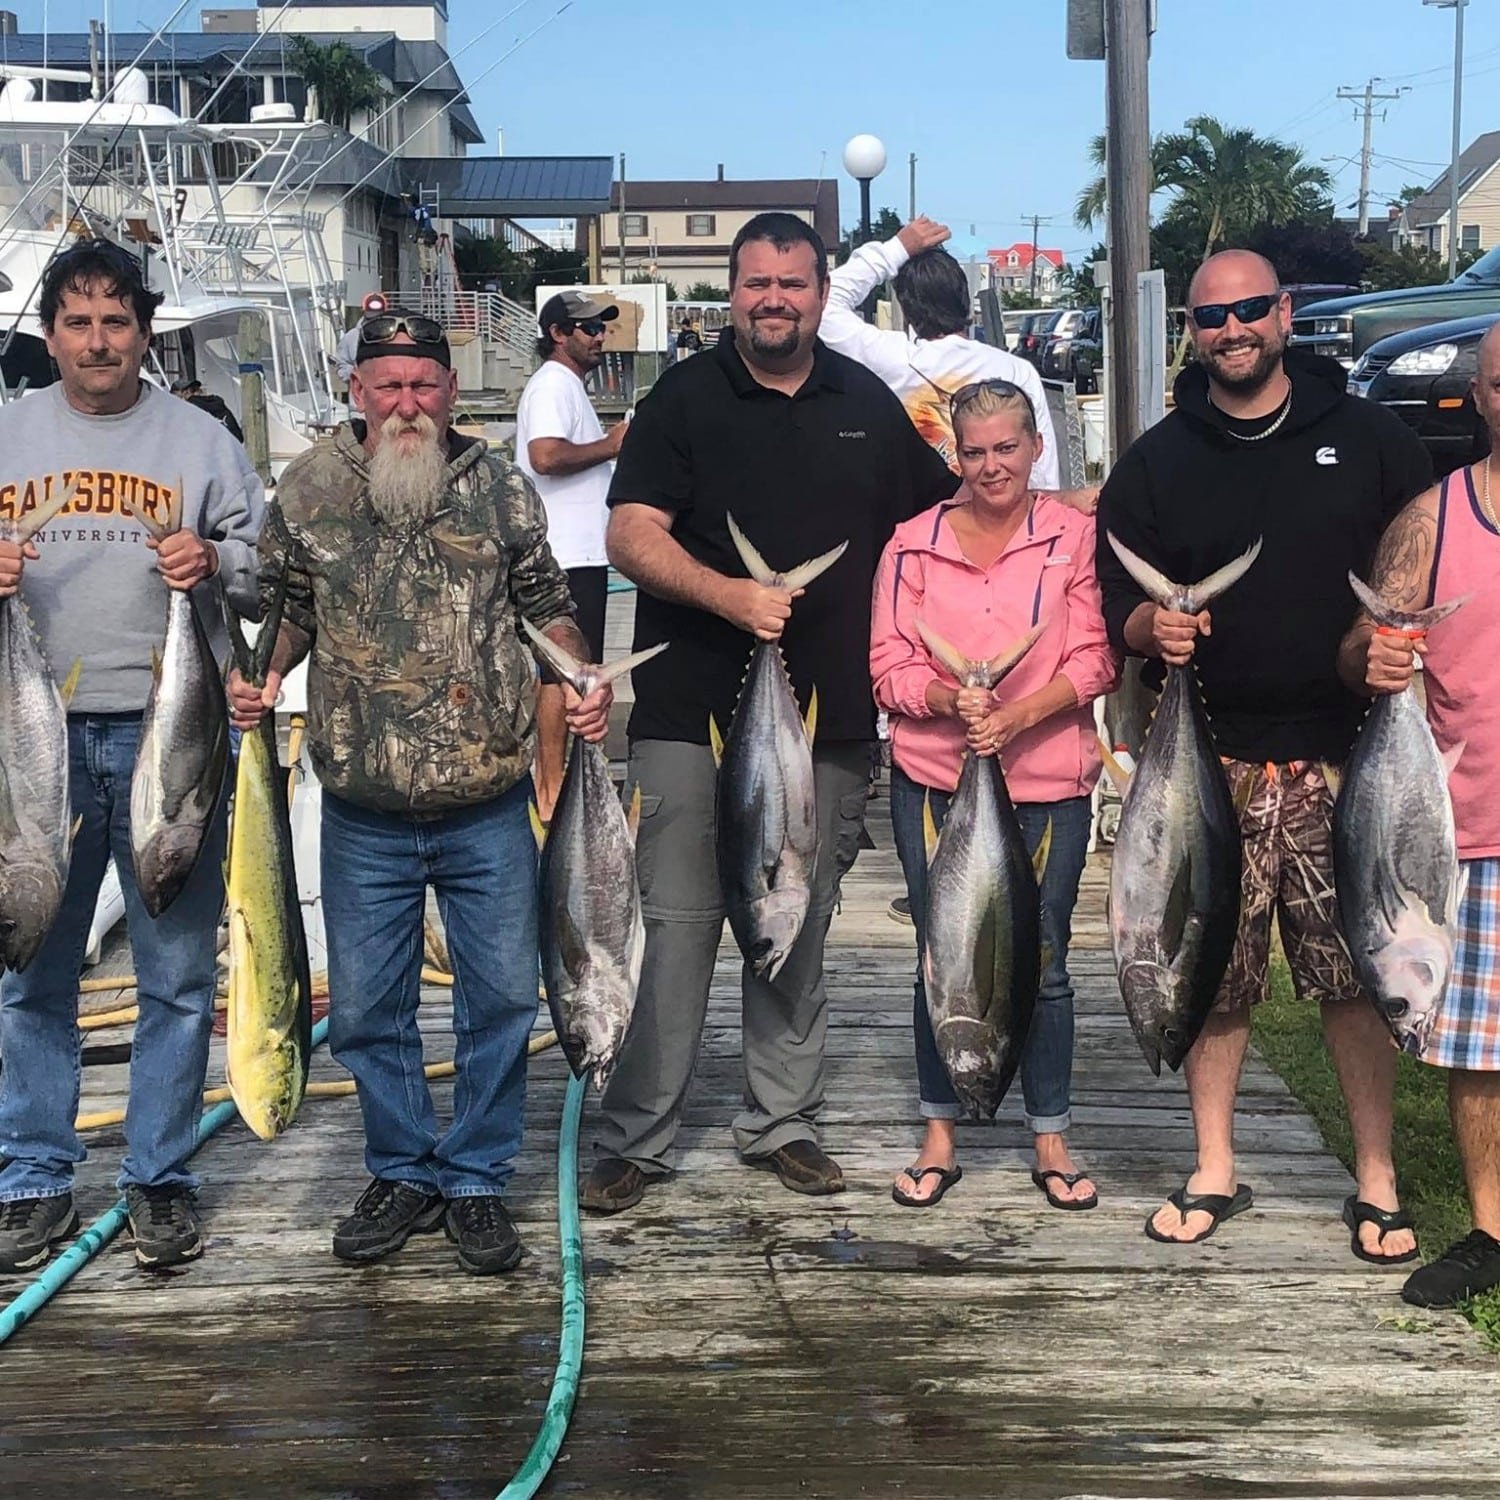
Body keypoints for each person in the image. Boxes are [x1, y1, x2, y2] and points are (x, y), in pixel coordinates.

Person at [583, 212, 958, 1214]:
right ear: (732, 290)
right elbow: (628, 533)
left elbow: (942, 519)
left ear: (821, 288)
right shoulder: (684, 399)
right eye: (758, 284)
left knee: (796, 917)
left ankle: (782, 1120)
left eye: (794, 283)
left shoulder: (866, 400)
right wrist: (730, 596)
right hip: (684, 713)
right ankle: (637, 1133)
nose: (776, 300)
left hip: (830, 721)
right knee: (673, 925)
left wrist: (1061, 514)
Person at [227, 311, 610, 1276]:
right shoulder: (309, 488)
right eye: (389, 385)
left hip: (487, 802)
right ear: (358, 391)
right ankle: (402, 1166)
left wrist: (581, 677)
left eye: (425, 386)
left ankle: (477, 1176)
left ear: (450, 391)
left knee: (499, 1000)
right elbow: (287, 610)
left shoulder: (497, 488)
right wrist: (261, 676)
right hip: (362, 808)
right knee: (364, 1007)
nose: (408, 404)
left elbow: (544, 601)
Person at [1096, 249, 1434, 1255]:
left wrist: (1397, 643)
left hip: (1349, 756)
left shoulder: (1373, 439)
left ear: (1285, 314)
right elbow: (1116, 605)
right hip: (1215, 756)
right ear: (1191, 334)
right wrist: (1148, 634)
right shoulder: (1156, 461)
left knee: (1357, 973)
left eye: (1248, 311)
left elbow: (1415, 566)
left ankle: (1376, 1177)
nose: (1230, 330)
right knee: (1214, 971)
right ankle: (1214, 1166)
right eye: (1211, 318)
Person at [0, 239, 265, 1274]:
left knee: (178, 974)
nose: (98, 341)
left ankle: (159, 1174)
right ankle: (31, 1176)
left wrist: (215, 564)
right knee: (29, 969)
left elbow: (262, 574)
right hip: (30, 745)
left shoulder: (199, 441)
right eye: (78, 321)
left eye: (117, 322)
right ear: (51, 334)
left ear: (144, 334)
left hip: (172, 736)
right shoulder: (7, 432)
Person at [871, 379, 1117, 1208]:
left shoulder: (1074, 538)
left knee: (1042, 959)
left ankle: (1052, 1136)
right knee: (940, 959)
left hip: (1047, 782)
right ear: (955, 455)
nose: (989, 466)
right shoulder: (910, 543)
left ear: (1035, 448)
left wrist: (1013, 716)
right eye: (972, 451)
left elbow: (1095, 659)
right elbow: (888, 666)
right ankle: (939, 1130)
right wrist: (950, 700)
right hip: (937, 781)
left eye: (1005, 447)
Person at [1336, 320, 1500, 1307]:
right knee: (1484, 1047)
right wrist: (1376, 654)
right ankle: (1492, 1228)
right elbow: (1360, 642)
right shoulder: (1435, 518)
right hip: (1467, 827)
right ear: (1480, 397)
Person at [821, 216, 1060, 486]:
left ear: (907, 310)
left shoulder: (893, 360)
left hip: (919, 521)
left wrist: (898, 248)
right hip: (1005, 520)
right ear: (964, 298)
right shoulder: (1016, 370)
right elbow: (1042, 470)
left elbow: (825, 304)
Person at [515, 290, 629, 820]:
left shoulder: (568, 386)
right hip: (562, 555)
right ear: (558, 334)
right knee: (561, 673)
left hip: (581, 553)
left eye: (602, 327)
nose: (598, 336)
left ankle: (561, 780)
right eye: (587, 328)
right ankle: (552, 786)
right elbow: (544, 456)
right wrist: (612, 444)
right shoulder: (552, 385)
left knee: (576, 674)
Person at [335, 292, 389, 385]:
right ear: (364, 312)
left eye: (378, 318)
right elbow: (341, 365)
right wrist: (358, 374)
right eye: (371, 317)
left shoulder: (394, 336)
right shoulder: (351, 337)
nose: (373, 322)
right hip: (360, 395)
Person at [171, 377, 245, 443]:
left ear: (185, 393)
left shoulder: (192, 410)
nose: (198, 392)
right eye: (195, 390)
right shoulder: (216, 403)